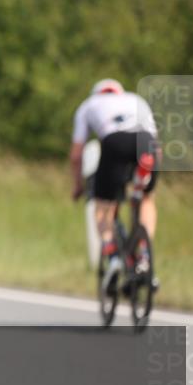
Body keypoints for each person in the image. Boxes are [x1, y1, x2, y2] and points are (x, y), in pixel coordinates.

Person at [69, 78, 159, 272]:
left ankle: (112, 256)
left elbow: (76, 155)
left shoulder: (88, 105)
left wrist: (77, 186)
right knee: (146, 198)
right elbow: (156, 146)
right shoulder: (136, 99)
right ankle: (144, 254)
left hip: (115, 141)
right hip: (146, 142)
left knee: (103, 204)